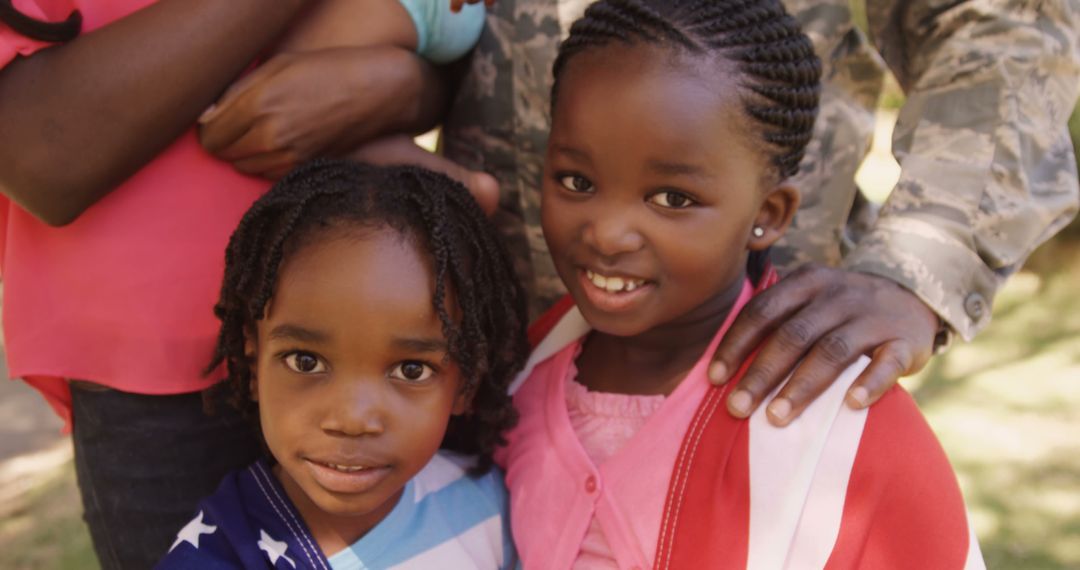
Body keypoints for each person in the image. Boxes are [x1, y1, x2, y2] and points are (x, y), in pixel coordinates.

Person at [0, 1, 486, 567]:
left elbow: (439, 48)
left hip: (391, 314)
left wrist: (403, 84)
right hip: (155, 374)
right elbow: (41, 151)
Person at [498, 1, 984, 567]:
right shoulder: (513, 384)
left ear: (770, 214)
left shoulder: (844, 429)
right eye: (576, 181)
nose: (607, 234)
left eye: (673, 198)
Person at [438, 0, 1080, 426]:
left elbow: (1002, 23)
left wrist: (922, 263)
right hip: (470, 387)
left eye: (671, 195)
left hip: (767, 377)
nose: (611, 231)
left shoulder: (837, 456)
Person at [156, 161, 526, 569]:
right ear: (254, 359)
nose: (351, 419)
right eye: (306, 361)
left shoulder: (489, 507)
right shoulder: (219, 555)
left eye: (411, 370)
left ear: (465, 384)